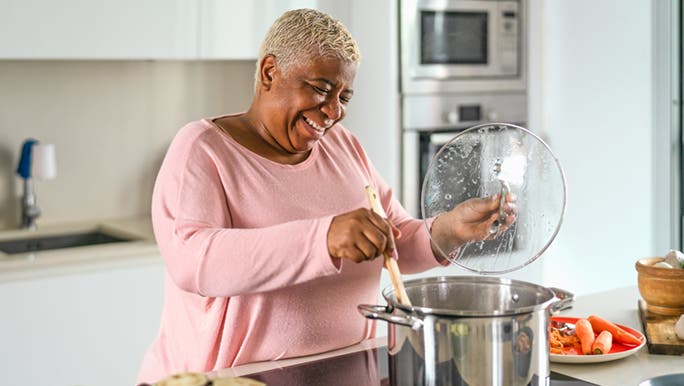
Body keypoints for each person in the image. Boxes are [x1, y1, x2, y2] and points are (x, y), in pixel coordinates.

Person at [137, 8, 514, 384]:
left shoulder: (343, 147)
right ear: (270, 72)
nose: (334, 111)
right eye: (320, 89)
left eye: (344, 96)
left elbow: (392, 240)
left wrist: (447, 230)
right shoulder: (204, 149)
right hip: (235, 379)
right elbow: (194, 261)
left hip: (347, 370)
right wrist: (323, 238)